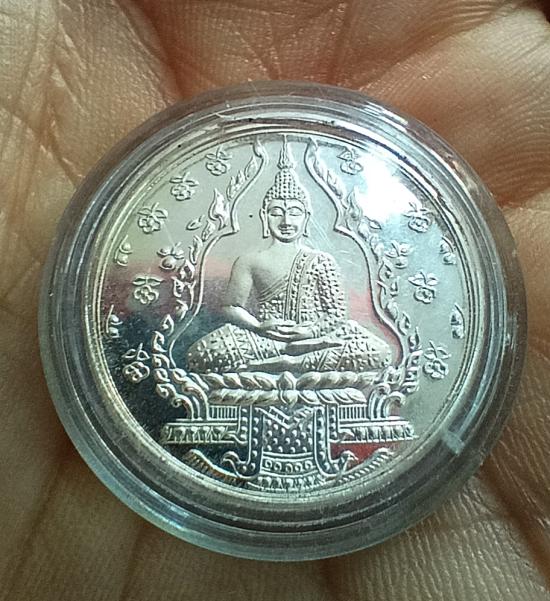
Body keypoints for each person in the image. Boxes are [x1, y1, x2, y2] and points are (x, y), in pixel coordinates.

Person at [186, 143, 391, 374]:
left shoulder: (321, 260)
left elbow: (337, 315)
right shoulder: (249, 260)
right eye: (276, 212)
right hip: (266, 339)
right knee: (201, 354)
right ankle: (295, 360)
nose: (286, 221)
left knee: (378, 351)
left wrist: (310, 331)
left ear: (306, 217)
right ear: (264, 216)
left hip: (315, 339)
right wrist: (259, 326)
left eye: (294, 212)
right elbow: (231, 306)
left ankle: (290, 363)